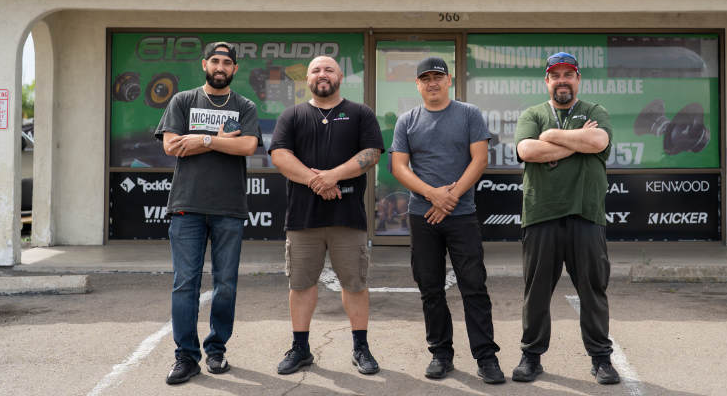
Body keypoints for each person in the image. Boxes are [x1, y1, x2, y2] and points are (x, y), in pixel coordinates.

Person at [391, 57, 506, 384]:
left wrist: (450, 197)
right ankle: (441, 354)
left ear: (448, 80)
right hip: (423, 215)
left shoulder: (469, 114)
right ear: (417, 84)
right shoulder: (407, 121)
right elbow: (399, 167)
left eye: (437, 77)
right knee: (430, 287)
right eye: (425, 78)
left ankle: (486, 357)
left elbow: (479, 159)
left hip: (462, 215)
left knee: (474, 287)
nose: (432, 83)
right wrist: (433, 195)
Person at [269, 55, 384, 375]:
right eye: (316, 70)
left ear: (340, 76)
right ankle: (301, 348)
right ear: (307, 79)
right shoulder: (292, 115)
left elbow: (372, 152)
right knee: (301, 285)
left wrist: (334, 175)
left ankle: (361, 348)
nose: (322, 74)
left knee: (355, 284)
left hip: (348, 218)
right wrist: (317, 181)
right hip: (303, 219)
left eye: (329, 69)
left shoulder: (360, 113)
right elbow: (279, 155)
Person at [511, 52, 621, 386]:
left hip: (585, 214)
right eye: (555, 75)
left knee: (593, 290)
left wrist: (552, 137)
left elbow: (599, 140)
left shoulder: (594, 111)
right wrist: (577, 142)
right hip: (542, 214)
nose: (562, 80)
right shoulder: (534, 113)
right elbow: (527, 151)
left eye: (568, 74)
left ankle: (601, 359)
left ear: (578, 79)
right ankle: (531, 357)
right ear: (547, 81)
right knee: (537, 292)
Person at [155, 42, 261, 385]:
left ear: (234, 69)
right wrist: (214, 139)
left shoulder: (244, 106)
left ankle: (216, 350)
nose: (220, 66)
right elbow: (171, 145)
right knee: (185, 284)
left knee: (226, 285)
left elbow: (247, 145)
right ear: (205, 64)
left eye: (226, 62)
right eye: (215, 60)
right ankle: (185, 357)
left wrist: (202, 141)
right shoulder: (183, 101)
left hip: (229, 208)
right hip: (187, 206)